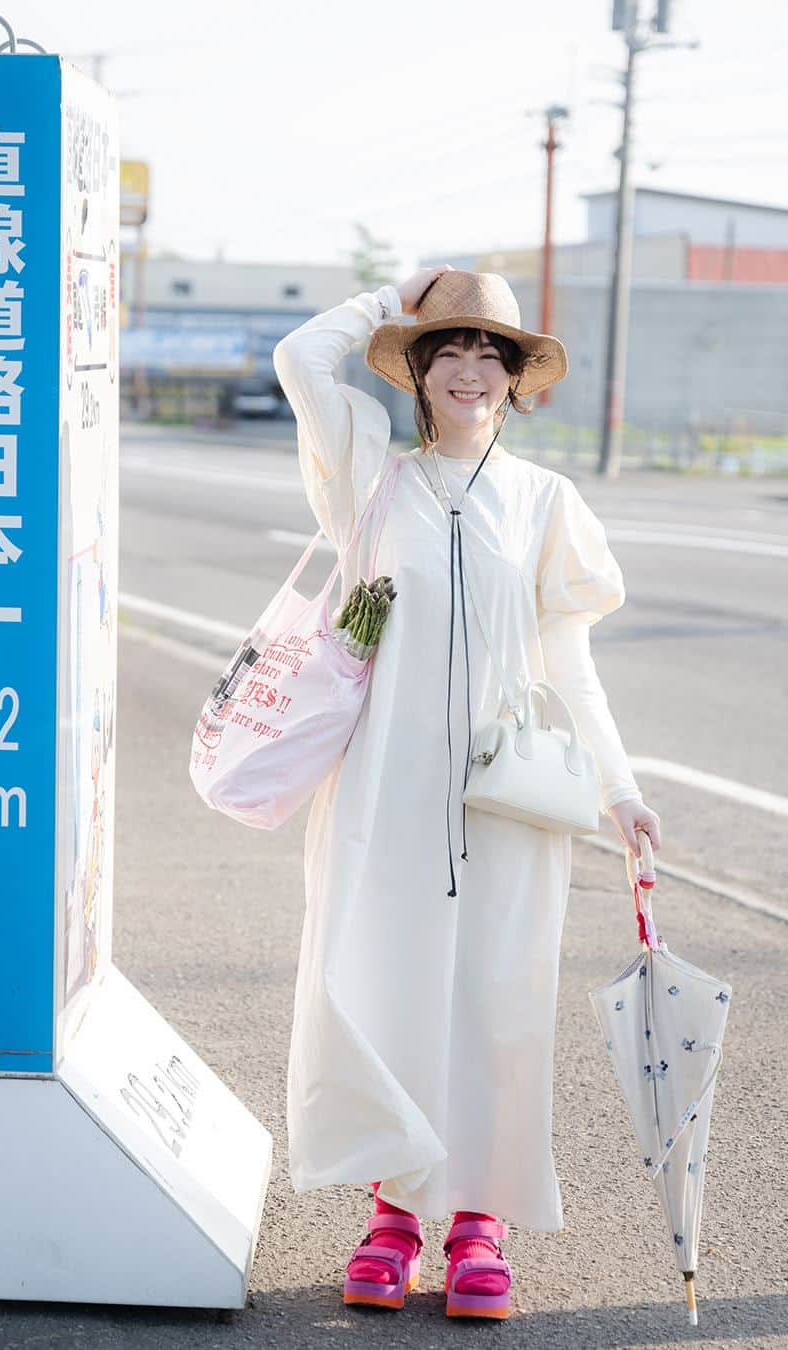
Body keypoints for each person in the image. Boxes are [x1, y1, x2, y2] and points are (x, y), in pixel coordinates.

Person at [271, 265, 663, 1320]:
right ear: (418, 369)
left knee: (496, 1001)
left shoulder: (546, 504)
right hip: (385, 784)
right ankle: (393, 1217)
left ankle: (478, 1223)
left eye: (493, 352)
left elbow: (569, 664)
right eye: (449, 348)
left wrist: (621, 792)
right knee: (382, 984)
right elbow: (298, 360)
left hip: (511, 797)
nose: (471, 368)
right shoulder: (369, 474)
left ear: (517, 379)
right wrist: (387, 299)